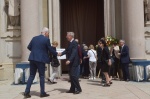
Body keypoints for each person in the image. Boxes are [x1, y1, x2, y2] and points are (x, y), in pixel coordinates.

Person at [24, 27, 59, 98]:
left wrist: (35, 51)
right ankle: (42, 93)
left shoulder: (34, 38)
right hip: (41, 60)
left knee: (31, 75)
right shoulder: (46, 39)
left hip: (32, 58)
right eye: (48, 33)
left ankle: (26, 92)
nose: (48, 35)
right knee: (42, 76)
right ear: (45, 33)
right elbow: (50, 49)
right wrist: (56, 53)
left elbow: (29, 47)